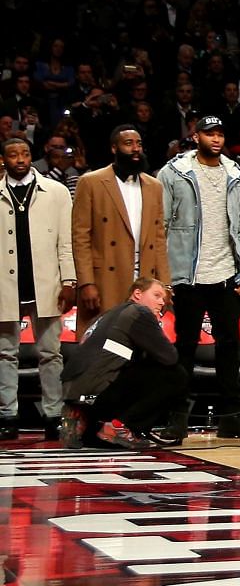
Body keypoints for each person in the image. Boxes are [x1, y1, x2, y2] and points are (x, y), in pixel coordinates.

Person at [158, 115, 240, 439]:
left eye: (219, 134)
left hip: (226, 273)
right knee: (185, 346)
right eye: (209, 133)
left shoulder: (237, 175)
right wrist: (164, 275)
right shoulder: (174, 173)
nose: (215, 139)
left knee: (229, 346)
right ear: (195, 135)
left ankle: (231, 417)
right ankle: (177, 417)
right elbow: (160, 224)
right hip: (187, 274)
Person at [2, 136, 76, 441]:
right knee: (5, 352)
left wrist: (69, 280)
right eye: (13, 155)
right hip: (5, 282)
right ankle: (7, 414)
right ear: (3, 160)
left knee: (51, 352)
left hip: (46, 281)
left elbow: (66, 241)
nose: (20, 159)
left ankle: (53, 414)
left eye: (25, 153)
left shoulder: (56, 192)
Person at [61, 277, 189, 449]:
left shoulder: (110, 313)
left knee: (135, 368)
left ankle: (84, 421)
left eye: (164, 300)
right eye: (157, 296)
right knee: (176, 374)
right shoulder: (140, 313)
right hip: (98, 391)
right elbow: (170, 357)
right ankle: (120, 426)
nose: (161, 303)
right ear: (137, 294)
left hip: (74, 391)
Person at [70, 125, 170, 331]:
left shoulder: (154, 186)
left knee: (140, 342)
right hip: (106, 278)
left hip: (144, 277)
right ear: (114, 148)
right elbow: (80, 238)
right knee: (103, 343)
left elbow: (159, 238)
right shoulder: (91, 182)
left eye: (139, 144)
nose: (135, 149)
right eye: (128, 143)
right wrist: (86, 283)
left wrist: (165, 284)